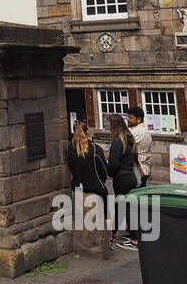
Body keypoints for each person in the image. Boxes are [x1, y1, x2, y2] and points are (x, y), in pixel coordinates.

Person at [106, 115, 142, 250]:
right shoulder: (129, 137)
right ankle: (113, 233)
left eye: (108, 123)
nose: (107, 126)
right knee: (123, 207)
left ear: (113, 124)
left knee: (126, 208)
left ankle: (134, 239)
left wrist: (109, 171)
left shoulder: (117, 141)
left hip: (121, 178)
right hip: (131, 176)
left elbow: (114, 164)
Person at [65, 121, 108, 200]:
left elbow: (70, 166)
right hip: (96, 187)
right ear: (87, 131)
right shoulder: (95, 149)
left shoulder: (68, 148)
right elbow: (104, 171)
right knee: (108, 209)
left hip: (77, 186)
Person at [125, 106, 153, 186]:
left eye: (131, 118)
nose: (128, 119)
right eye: (127, 117)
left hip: (139, 170)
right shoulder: (143, 129)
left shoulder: (137, 132)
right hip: (144, 168)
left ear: (139, 119)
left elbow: (124, 144)